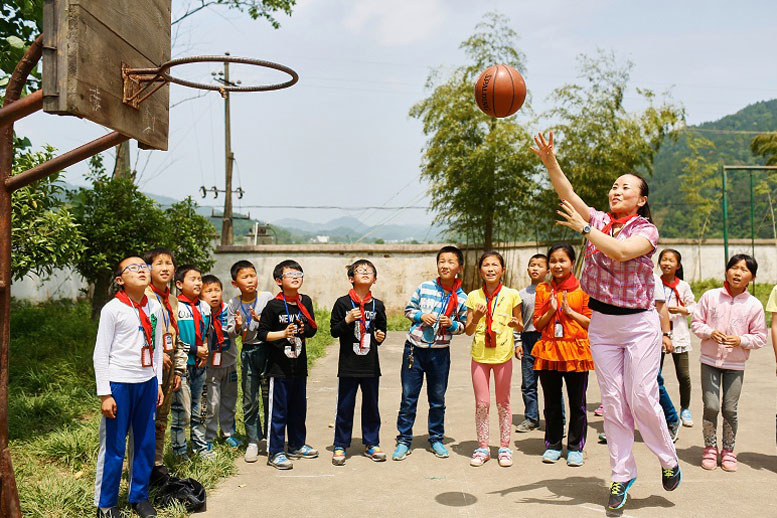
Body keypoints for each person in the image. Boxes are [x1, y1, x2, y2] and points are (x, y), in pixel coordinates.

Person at [532, 131, 681, 511]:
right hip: (602, 324)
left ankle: (667, 458)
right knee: (613, 402)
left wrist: (585, 229)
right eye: (614, 187)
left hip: (639, 324)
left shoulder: (646, 231)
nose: (616, 191)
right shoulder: (600, 219)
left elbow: (618, 252)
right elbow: (569, 195)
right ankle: (621, 475)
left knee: (642, 396)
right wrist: (550, 161)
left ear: (641, 199)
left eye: (625, 187)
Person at [93, 256, 164, 518]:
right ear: (120, 280)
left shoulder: (154, 308)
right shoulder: (113, 309)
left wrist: (156, 381)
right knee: (113, 446)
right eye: (133, 268)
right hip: (119, 383)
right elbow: (101, 353)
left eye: (144, 266)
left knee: (144, 442)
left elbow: (155, 350)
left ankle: (139, 497)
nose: (141, 271)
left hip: (146, 383)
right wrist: (105, 393)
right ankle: (106, 505)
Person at [691, 254, 766, 472]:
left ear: (751, 277)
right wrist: (709, 332)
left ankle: (729, 450)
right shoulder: (710, 296)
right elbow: (696, 322)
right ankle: (710, 448)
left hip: (735, 365)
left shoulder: (754, 305)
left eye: (744, 270)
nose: (738, 272)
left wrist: (741, 340)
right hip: (709, 361)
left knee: (730, 409)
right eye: (734, 267)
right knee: (711, 406)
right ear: (726, 271)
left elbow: (760, 336)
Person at [393, 245, 468, 461]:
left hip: (440, 354)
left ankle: (436, 438)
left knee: (437, 399)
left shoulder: (462, 297)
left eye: (450, 262)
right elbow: (408, 310)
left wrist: (452, 324)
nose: (445, 265)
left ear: (459, 268)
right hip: (414, 351)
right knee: (408, 398)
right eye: (442, 261)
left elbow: (464, 326)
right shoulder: (425, 287)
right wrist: (420, 316)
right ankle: (404, 440)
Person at [532, 243, 592, 467]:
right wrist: (551, 309)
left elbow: (591, 323)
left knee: (578, 403)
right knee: (551, 402)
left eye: (562, 260)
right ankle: (554, 444)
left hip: (576, 352)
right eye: (553, 261)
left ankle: (576, 447)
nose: (557, 265)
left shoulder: (584, 289)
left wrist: (569, 312)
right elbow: (537, 324)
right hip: (549, 351)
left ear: (572, 263)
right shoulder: (542, 290)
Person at [257, 260, 319, 470]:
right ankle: (275, 452)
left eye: (299, 273)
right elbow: (262, 334)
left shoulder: (305, 302)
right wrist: (283, 334)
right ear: (278, 281)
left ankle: (296, 444)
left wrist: (303, 328)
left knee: (298, 408)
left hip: (299, 365)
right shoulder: (273, 306)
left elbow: (312, 330)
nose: (296, 277)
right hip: (279, 368)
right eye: (290, 274)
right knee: (279, 411)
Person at [464, 251, 523, 467]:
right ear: (480, 270)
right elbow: (468, 331)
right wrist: (477, 317)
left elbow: (520, 324)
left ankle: (505, 447)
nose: (490, 268)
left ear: (503, 270)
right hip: (480, 355)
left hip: (503, 355)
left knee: (503, 403)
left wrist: (515, 325)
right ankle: (483, 447)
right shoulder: (473, 296)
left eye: (495, 265)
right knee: (482, 403)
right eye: (486, 265)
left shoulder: (512, 294)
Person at [330, 259, 388, 465]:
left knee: (371, 405)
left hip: (371, 365)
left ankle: (371, 443)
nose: (365, 272)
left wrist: (381, 336)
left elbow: (382, 330)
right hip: (348, 364)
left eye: (369, 271)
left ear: (375, 279)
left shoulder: (377, 305)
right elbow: (333, 330)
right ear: (350, 278)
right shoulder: (342, 303)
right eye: (360, 270)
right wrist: (346, 321)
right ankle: (340, 444)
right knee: (345, 405)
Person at [143, 248, 187, 475]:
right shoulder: (143, 297)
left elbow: (176, 335)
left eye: (168, 263)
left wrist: (179, 368)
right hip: (149, 365)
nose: (164, 268)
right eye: (158, 263)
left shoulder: (171, 299)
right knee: (146, 416)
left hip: (169, 365)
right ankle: (139, 467)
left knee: (162, 415)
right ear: (148, 269)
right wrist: (156, 354)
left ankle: (156, 463)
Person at [226, 260, 274, 463]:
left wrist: (260, 320)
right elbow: (231, 334)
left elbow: (274, 322)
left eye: (252, 275)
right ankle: (253, 440)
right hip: (247, 352)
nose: (250, 280)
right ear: (235, 283)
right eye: (244, 277)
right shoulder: (233, 303)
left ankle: (272, 439)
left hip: (268, 350)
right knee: (249, 397)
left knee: (269, 396)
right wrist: (238, 326)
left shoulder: (267, 298)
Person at [171, 265, 211, 458]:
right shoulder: (174, 307)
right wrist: (195, 350)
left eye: (199, 279)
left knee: (200, 410)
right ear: (179, 284)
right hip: (182, 367)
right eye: (192, 279)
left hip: (200, 367)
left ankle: (200, 448)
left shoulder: (204, 307)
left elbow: (205, 333)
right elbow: (174, 340)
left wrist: (204, 352)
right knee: (182, 412)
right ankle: (179, 453)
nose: (198, 282)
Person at [201, 274, 240, 450]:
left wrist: (238, 326)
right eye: (208, 291)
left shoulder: (228, 309)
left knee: (229, 400)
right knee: (212, 403)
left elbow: (233, 332)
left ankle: (228, 433)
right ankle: (208, 436)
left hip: (229, 363)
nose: (214, 294)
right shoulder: (201, 312)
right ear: (201, 294)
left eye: (217, 290)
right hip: (210, 367)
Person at [658, 248, 696, 427]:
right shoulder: (655, 284)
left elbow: (693, 306)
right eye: (663, 259)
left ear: (678, 265)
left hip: (679, 334)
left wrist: (683, 310)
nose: (666, 263)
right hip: (657, 335)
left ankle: (685, 408)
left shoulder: (683, 286)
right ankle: (659, 410)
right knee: (654, 376)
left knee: (684, 375)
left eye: (670, 260)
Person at [516, 253, 549, 433]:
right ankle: (531, 418)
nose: (535, 268)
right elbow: (517, 321)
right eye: (532, 265)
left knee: (551, 383)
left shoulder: (554, 291)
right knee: (528, 383)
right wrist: (517, 342)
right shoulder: (521, 294)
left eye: (539, 265)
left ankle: (556, 419)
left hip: (547, 340)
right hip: (528, 340)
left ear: (548, 270)